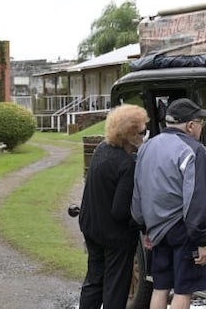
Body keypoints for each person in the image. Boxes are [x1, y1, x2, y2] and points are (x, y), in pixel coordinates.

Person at [131, 98, 206, 309]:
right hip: (184, 230)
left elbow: (138, 193)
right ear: (190, 125)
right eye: (200, 123)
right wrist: (202, 242)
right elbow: (196, 200)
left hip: (157, 231)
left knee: (160, 287)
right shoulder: (195, 151)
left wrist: (146, 230)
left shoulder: (146, 147)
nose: (201, 128)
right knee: (183, 290)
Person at [78, 104, 149, 309]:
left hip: (92, 227)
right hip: (114, 235)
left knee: (94, 280)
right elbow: (120, 211)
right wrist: (141, 223)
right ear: (130, 134)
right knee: (115, 288)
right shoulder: (126, 163)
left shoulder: (102, 149)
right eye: (142, 131)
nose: (144, 136)